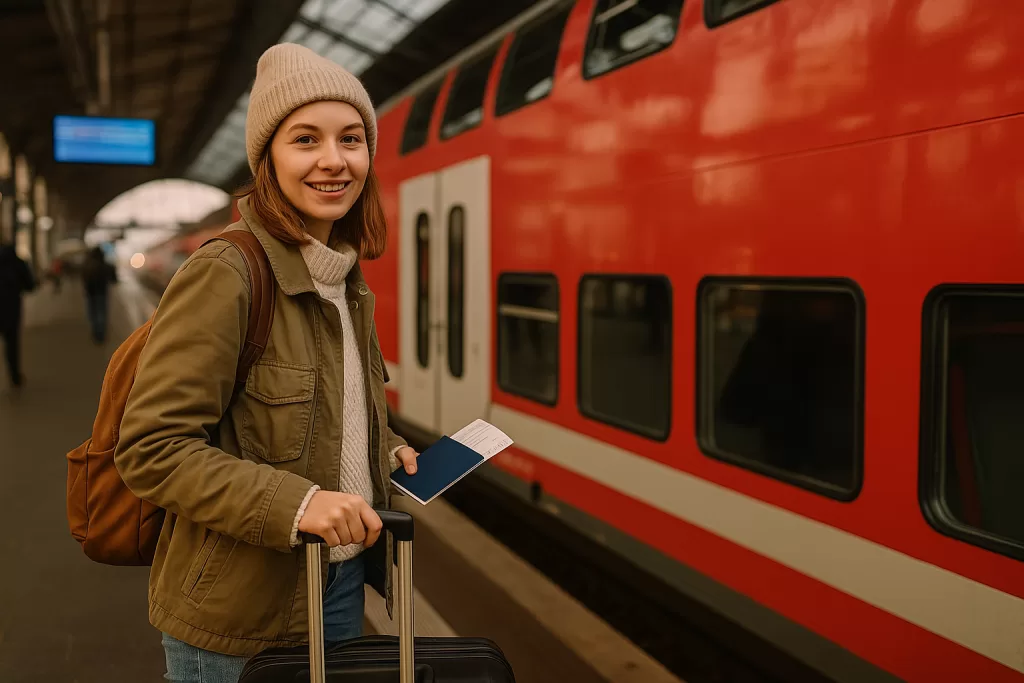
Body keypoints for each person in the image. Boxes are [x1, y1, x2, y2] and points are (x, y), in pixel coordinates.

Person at [113, 43, 421, 683]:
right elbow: (151, 446)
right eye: (305, 139)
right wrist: (299, 503)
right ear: (268, 160)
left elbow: (310, 405)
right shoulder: (227, 272)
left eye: (352, 139)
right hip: (238, 613)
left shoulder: (342, 277)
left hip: (335, 583)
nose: (334, 160)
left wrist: (382, 447)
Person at [0, 243, 35, 388]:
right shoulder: (18, 263)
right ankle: (15, 377)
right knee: (12, 345)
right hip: (11, 309)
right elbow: (30, 285)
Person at [80, 246, 116, 343]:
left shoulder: (87, 265)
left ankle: (95, 332)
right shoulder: (105, 265)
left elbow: (83, 278)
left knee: (92, 313)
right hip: (102, 292)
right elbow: (113, 279)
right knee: (101, 313)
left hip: (90, 293)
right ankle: (101, 334)